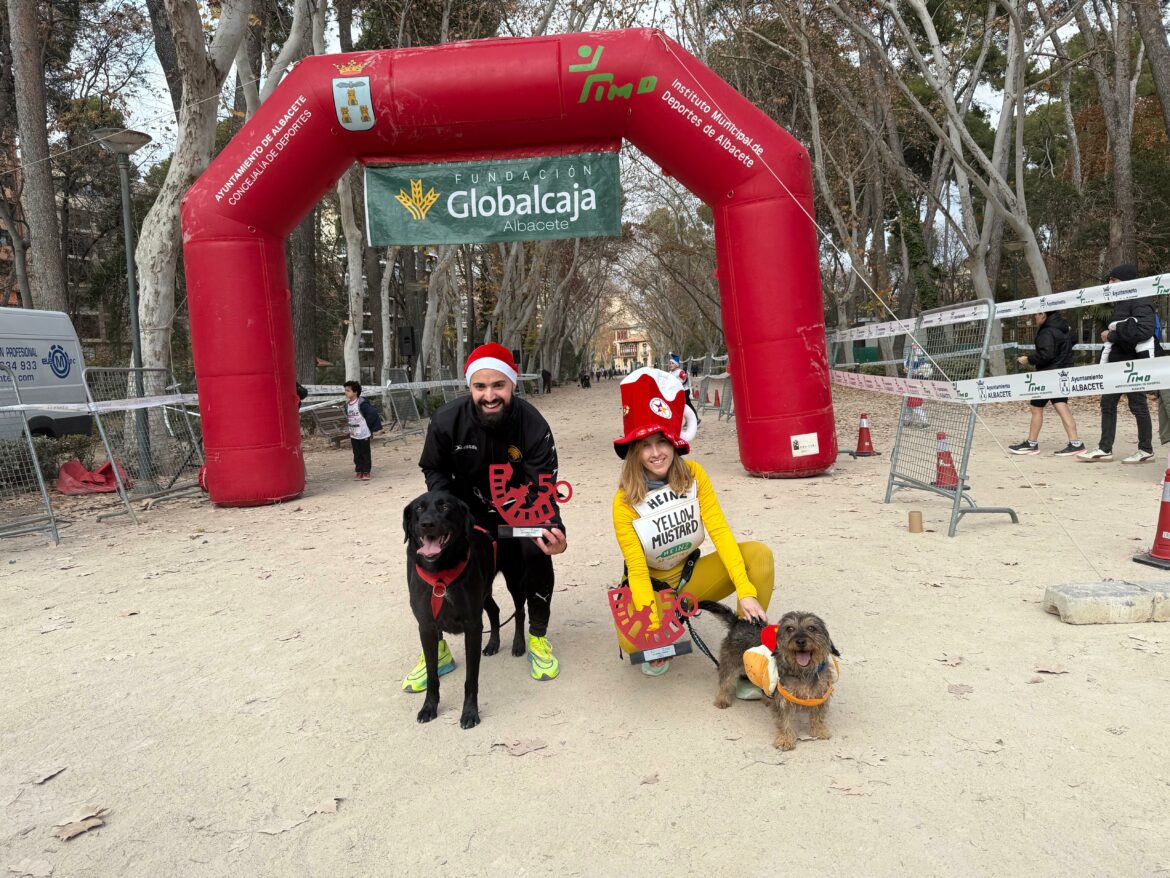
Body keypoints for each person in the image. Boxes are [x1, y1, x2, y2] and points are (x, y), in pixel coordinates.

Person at [407, 342, 567, 691]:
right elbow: (433, 468)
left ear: (513, 384)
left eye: (499, 385)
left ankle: (537, 636)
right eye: (481, 386)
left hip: (512, 522)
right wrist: (450, 515)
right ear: (470, 388)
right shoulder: (447, 421)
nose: (490, 395)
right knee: (422, 547)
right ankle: (435, 646)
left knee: (538, 545)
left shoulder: (533, 425)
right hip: (467, 520)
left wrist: (553, 527)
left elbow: (543, 486)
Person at [610, 367, 774, 689]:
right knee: (635, 642)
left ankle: (747, 651)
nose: (656, 453)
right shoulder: (624, 502)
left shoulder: (695, 475)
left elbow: (720, 532)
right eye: (645, 445)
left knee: (759, 556)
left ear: (675, 442)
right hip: (652, 588)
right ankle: (665, 623)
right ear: (634, 451)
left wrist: (746, 590)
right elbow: (638, 571)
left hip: (690, 578)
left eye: (662, 442)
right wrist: (654, 628)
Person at [1080, 264, 1158, 464]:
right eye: (1109, 280)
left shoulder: (1141, 299)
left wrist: (1111, 335)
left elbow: (1144, 331)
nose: (1109, 284)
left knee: (1138, 405)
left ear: (1127, 282)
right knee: (1107, 404)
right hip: (1116, 364)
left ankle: (1145, 449)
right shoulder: (1121, 302)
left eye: (1113, 280)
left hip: (1132, 364)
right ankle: (1105, 448)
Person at [1009, 311, 1084, 456]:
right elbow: (1072, 341)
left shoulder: (1046, 331)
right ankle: (1075, 443)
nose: (1034, 317)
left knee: (1036, 408)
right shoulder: (1063, 328)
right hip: (1062, 372)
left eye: (1037, 314)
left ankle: (1032, 444)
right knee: (1061, 406)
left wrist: (1028, 359)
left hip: (1047, 375)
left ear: (1044, 315)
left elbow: (1046, 354)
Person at [343, 380, 381, 480]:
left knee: (365, 452)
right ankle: (359, 471)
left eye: (348, 390)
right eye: (345, 390)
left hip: (364, 433)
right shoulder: (347, 405)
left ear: (355, 392)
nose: (345, 392)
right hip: (353, 433)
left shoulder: (362, 403)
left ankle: (366, 471)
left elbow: (372, 414)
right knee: (357, 453)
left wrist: (368, 426)